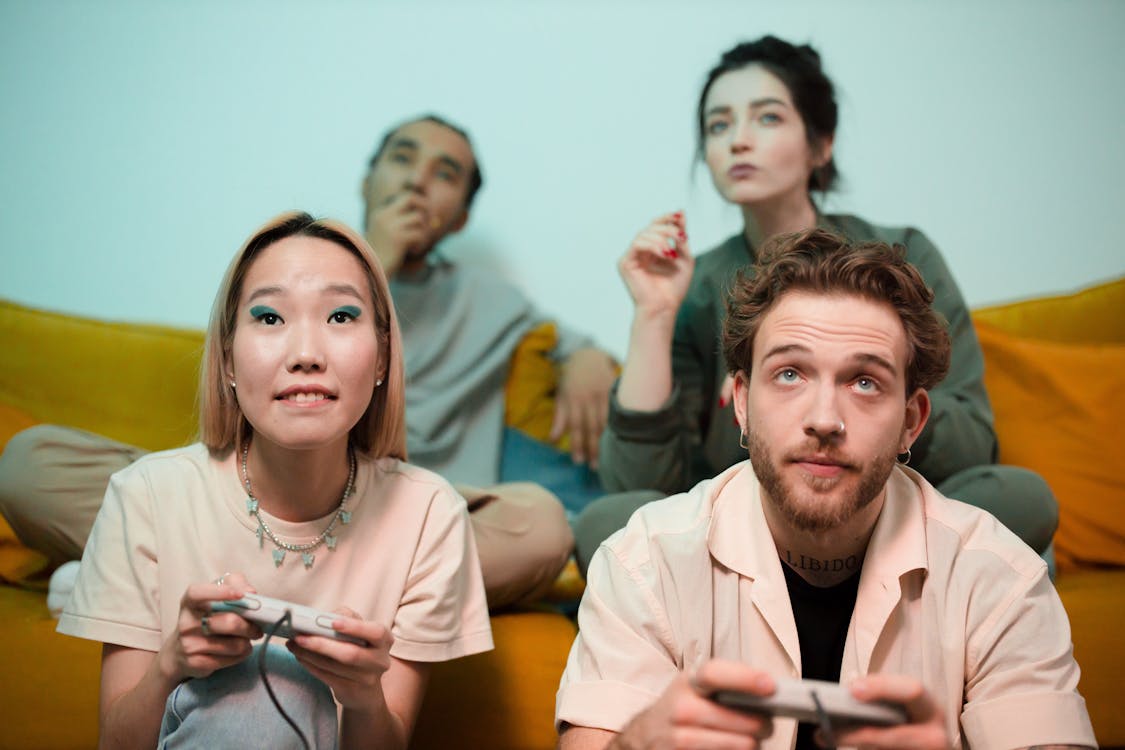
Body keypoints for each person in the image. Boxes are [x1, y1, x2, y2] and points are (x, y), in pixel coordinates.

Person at [0, 113, 617, 609]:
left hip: (391, 523)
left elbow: (572, 343)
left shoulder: (491, 303)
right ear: (368, 179)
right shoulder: (289, 259)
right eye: (401, 158)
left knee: (541, 528)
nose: (418, 180)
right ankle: (312, 597)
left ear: (459, 214)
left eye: (445, 172)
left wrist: (588, 357)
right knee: (30, 465)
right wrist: (373, 256)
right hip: (254, 504)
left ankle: (185, 584)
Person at [556, 228, 1095, 750]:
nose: (824, 420)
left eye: (865, 382)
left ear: (912, 420)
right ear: (742, 402)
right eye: (790, 373)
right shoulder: (642, 563)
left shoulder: (1002, 579)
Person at [575, 36, 1057, 574]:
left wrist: (871, 389)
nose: (738, 140)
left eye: (767, 118)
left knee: (1019, 498)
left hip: (884, 517)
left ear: (820, 145)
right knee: (608, 524)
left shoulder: (905, 256)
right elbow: (643, 487)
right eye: (718, 125)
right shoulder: (694, 284)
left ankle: (836, 596)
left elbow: (972, 448)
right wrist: (654, 314)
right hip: (751, 532)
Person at [57, 212, 494, 749]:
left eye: (340, 316)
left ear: (382, 355)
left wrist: (364, 697)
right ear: (227, 361)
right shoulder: (145, 493)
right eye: (269, 318)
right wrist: (170, 662)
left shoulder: (431, 513)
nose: (306, 355)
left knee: (282, 694)